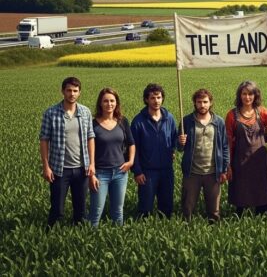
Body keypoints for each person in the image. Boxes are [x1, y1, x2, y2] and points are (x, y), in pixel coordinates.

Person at [39, 77, 95, 227]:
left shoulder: (85, 112)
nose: (72, 94)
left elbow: (91, 137)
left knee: (81, 210)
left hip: (81, 169)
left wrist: (91, 163)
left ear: (79, 93)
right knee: (57, 209)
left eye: (75, 91)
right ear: (62, 91)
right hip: (59, 169)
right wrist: (46, 166)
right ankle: (51, 236)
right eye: (69, 90)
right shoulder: (51, 113)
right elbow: (44, 140)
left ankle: (77, 238)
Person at [225, 81, 267, 216]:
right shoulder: (232, 115)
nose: (247, 97)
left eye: (250, 94)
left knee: (261, 192)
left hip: (260, 161)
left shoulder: (262, 112)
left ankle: (264, 217)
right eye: (244, 94)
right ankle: (241, 219)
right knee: (240, 192)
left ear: (255, 96)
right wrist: (228, 165)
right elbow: (227, 142)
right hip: (240, 161)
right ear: (239, 95)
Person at [178, 89, 229, 222]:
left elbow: (224, 146)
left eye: (205, 102)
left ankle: (214, 232)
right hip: (192, 172)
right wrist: (180, 142)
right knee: (187, 208)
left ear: (210, 103)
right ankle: (185, 231)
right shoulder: (187, 121)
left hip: (213, 172)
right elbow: (179, 148)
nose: (202, 105)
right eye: (199, 102)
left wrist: (224, 169)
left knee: (214, 211)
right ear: (195, 103)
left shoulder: (219, 122)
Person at [89, 87, 135, 226]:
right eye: (106, 101)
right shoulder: (93, 124)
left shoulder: (122, 121)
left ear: (116, 103)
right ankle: (88, 241)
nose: (109, 104)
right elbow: (86, 150)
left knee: (118, 211)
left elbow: (131, 143)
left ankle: (117, 242)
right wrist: (91, 175)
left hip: (120, 173)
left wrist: (130, 161)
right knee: (96, 211)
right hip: (100, 173)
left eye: (112, 101)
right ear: (100, 103)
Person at [131, 83, 177, 218]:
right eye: (152, 98)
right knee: (145, 207)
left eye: (158, 97)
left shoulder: (169, 118)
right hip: (147, 171)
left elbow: (174, 138)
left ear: (162, 98)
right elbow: (133, 149)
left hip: (167, 170)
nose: (156, 101)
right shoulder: (138, 121)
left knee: (167, 206)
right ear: (146, 100)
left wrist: (175, 147)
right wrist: (137, 171)